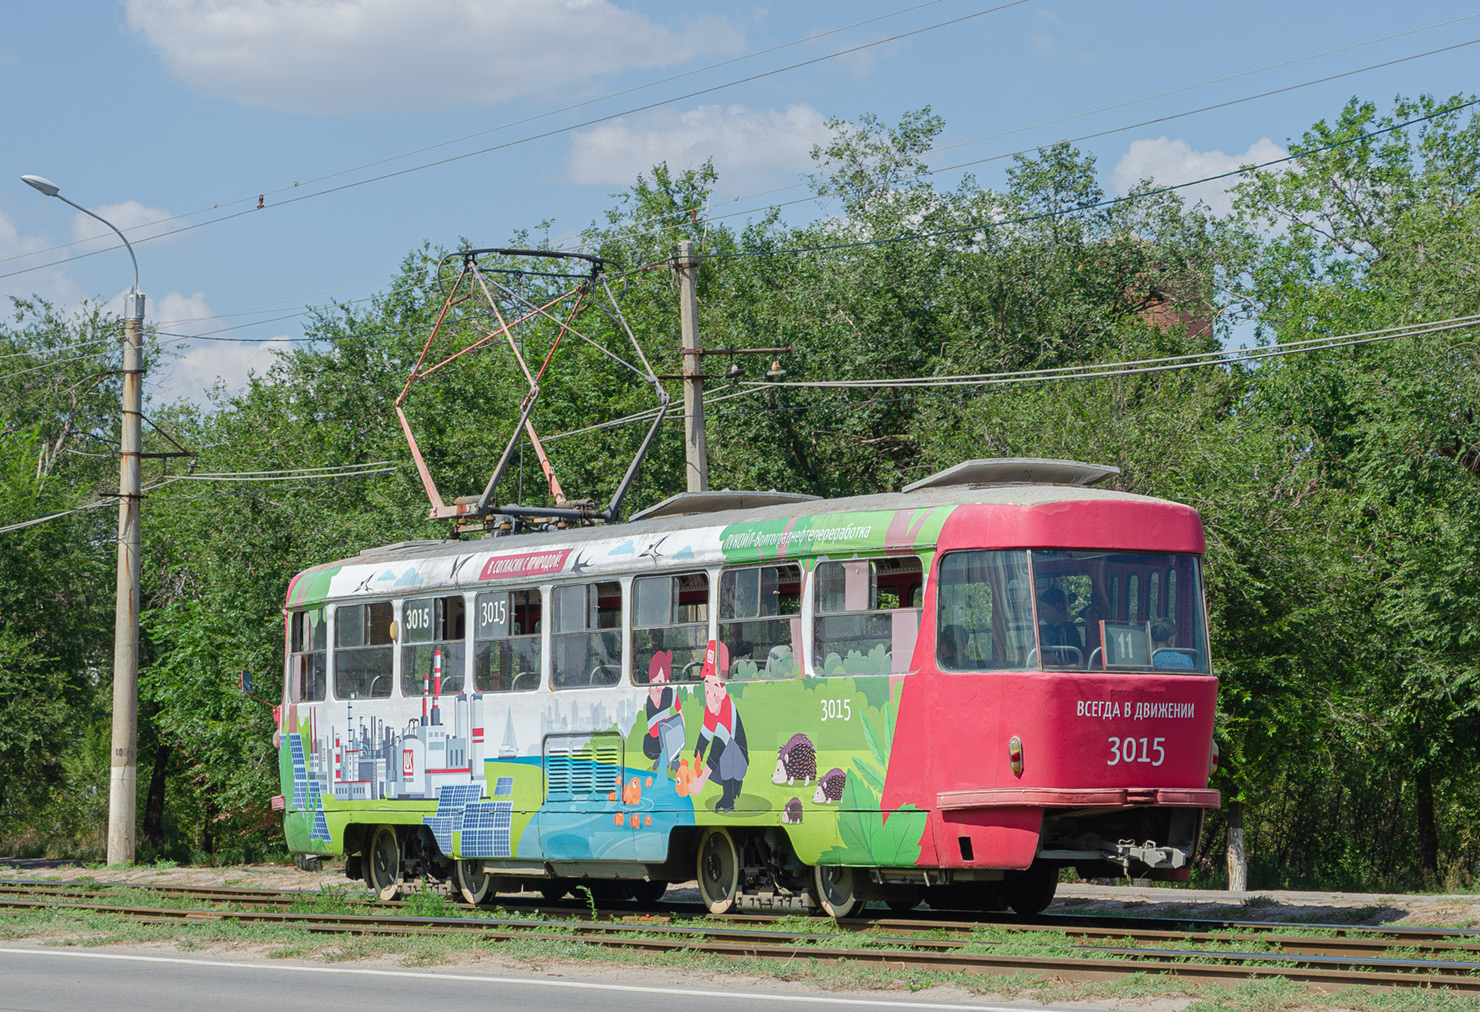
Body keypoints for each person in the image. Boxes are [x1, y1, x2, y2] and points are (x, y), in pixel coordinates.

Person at [1037, 587, 1081, 656]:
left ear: (1058, 607)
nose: (1041, 614)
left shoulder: (1067, 631)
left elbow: (1069, 663)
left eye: (1044, 609)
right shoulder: (1051, 629)